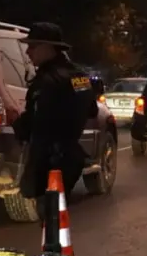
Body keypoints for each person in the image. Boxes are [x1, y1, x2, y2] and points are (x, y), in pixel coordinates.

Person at [13, 22, 97, 210]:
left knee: (50, 216)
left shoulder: (47, 81)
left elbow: (37, 122)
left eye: (33, 46)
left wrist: (16, 122)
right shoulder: (79, 76)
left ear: (48, 47)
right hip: (70, 158)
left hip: (48, 160)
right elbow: (92, 110)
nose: (28, 52)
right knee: (58, 213)